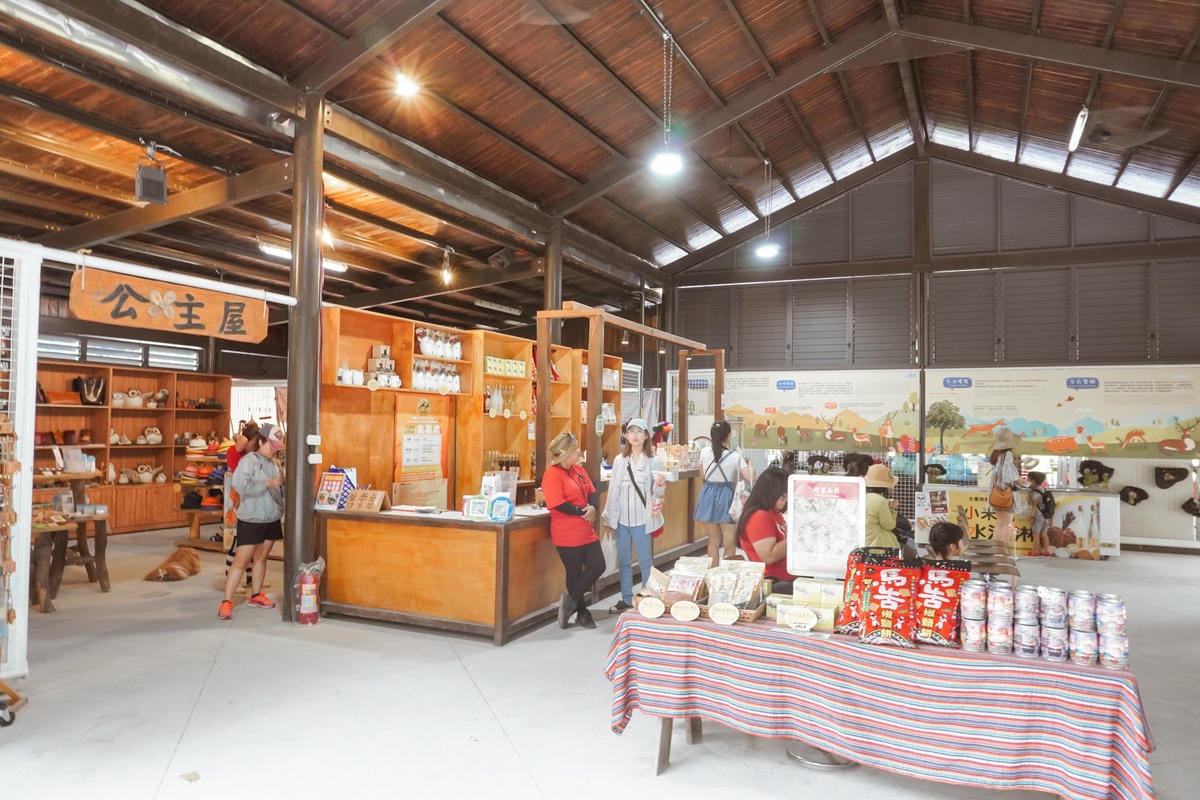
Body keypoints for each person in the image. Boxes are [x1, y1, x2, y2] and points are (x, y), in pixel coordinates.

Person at [219, 423, 284, 620]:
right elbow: (239, 485)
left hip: (271, 517)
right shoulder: (248, 461)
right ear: (261, 441)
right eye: (271, 445)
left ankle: (256, 595)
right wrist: (267, 483)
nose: (274, 449)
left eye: (277, 446)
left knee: (261, 558)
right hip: (251, 518)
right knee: (241, 560)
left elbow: (280, 490)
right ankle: (226, 602)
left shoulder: (275, 464)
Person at [602, 419, 664, 613]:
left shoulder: (654, 461)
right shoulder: (620, 460)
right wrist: (609, 518)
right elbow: (613, 491)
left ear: (646, 435)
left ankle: (646, 599)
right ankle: (626, 598)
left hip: (642, 520)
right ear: (626, 436)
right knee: (625, 561)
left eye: (639, 431)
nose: (635, 435)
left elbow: (658, 494)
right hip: (622, 520)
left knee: (646, 561)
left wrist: (660, 485)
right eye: (631, 431)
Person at [541, 432, 601, 630]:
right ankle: (583, 613)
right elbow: (557, 503)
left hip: (586, 528)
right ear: (566, 454)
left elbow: (592, 491)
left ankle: (569, 604)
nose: (579, 453)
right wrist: (582, 512)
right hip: (566, 531)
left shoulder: (578, 469)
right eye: (576, 450)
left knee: (598, 565)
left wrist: (592, 508)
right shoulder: (552, 474)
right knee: (574, 572)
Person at [695, 420, 752, 564]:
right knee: (729, 542)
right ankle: (726, 577)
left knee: (713, 541)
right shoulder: (735, 456)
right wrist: (748, 465)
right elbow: (749, 477)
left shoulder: (704, 452)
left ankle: (712, 575)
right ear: (729, 435)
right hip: (726, 496)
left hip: (707, 494)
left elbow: (702, 475)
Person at [735, 466, 796, 592]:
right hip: (775, 582)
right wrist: (798, 535)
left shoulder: (773, 512)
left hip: (788, 576)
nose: (785, 501)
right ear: (770, 493)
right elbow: (769, 556)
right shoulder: (759, 517)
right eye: (782, 497)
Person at [224, 420, 259, 593]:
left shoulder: (248, 456)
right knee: (239, 541)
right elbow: (243, 442)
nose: (255, 445)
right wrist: (240, 436)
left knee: (251, 542)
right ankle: (229, 576)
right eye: (254, 441)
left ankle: (250, 579)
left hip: (248, 499)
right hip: (239, 500)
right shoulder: (234, 453)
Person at [988, 428, 1022, 556]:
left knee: (1000, 524)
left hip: (996, 495)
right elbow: (1009, 476)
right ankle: (1004, 552)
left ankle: (994, 550)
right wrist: (1021, 480)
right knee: (1007, 524)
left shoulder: (997, 456)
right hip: (1007, 495)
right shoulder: (1007, 455)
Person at [863, 464, 901, 550]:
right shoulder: (881, 501)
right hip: (880, 546)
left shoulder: (862, 497)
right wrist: (892, 509)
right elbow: (889, 525)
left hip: (865, 542)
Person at [1027, 471, 1053, 557]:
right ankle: (1046, 552)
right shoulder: (1044, 489)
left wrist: (1031, 517)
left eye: (1028, 479)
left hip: (1038, 515)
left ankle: (1035, 551)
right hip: (1046, 515)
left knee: (1036, 534)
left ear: (1033, 481)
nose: (1026, 481)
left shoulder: (1034, 493)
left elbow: (1034, 507)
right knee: (1044, 534)